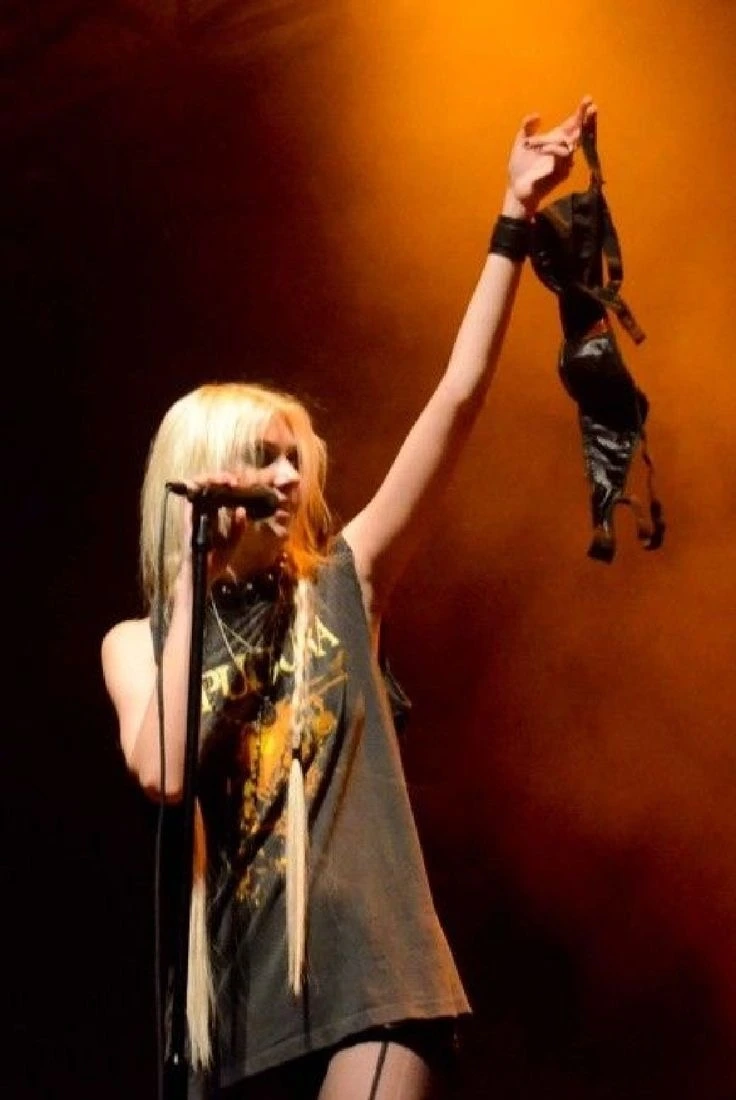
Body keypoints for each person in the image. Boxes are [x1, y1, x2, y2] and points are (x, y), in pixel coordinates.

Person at [101, 95, 596, 1100]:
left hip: (376, 982)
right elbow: (162, 768)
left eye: (297, 457)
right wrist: (194, 572)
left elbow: (456, 399)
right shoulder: (136, 640)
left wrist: (511, 218)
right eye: (263, 458)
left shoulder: (345, 578)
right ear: (205, 476)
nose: (290, 477)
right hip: (241, 1013)